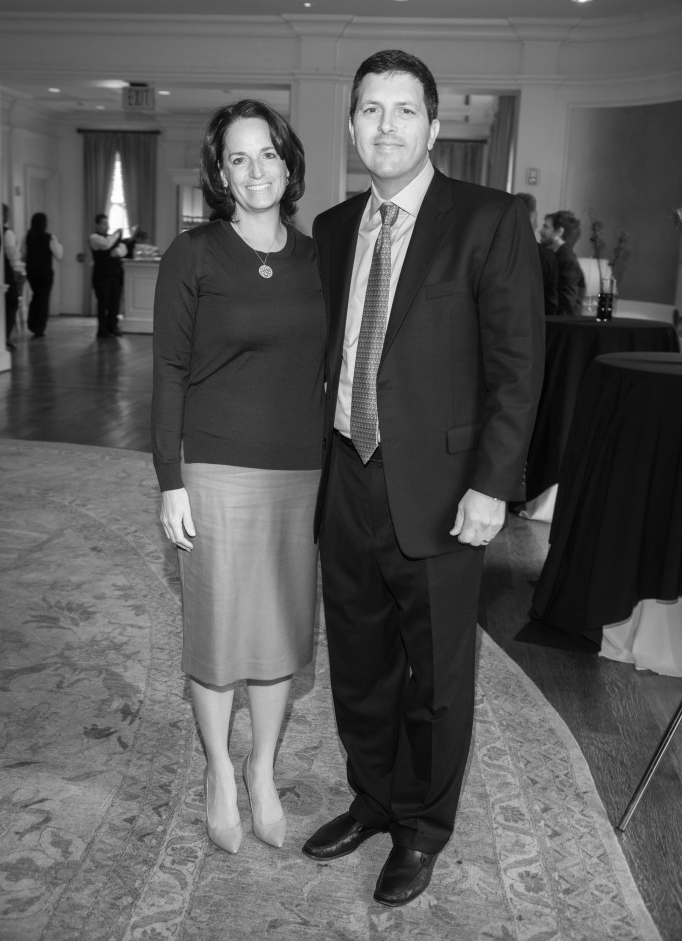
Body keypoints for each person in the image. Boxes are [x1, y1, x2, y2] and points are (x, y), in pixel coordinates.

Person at [302, 50, 545, 906]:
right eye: (370, 109)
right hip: (347, 478)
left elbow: (518, 366)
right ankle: (373, 799)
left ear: (433, 126)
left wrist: (493, 485)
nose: (386, 126)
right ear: (353, 125)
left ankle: (421, 828)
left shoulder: (489, 219)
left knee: (438, 679)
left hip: (445, 492)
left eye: (404, 110)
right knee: (359, 663)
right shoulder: (335, 227)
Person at [152, 100, 325, 856]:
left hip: (301, 470)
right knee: (219, 629)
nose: (256, 171)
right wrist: (170, 478)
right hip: (215, 467)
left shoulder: (319, 258)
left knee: (279, 627)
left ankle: (263, 771)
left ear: (289, 163)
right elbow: (168, 369)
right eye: (238, 158)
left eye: (268, 154)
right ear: (220, 174)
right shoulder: (194, 254)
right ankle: (220, 772)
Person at [22, 212, 64, 338]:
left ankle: (32, 324)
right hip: (45, 273)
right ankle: (39, 327)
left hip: (31, 272)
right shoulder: (50, 238)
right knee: (43, 299)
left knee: (36, 296)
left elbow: (23, 254)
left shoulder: (27, 237)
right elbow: (59, 255)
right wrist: (60, 244)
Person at [515, 192, 558, 314]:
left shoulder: (493, 250)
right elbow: (551, 301)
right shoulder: (546, 256)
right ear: (533, 216)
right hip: (534, 319)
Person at [539, 210, 585, 315]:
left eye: (546, 227)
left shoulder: (567, 259)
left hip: (561, 322)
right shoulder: (555, 255)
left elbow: (567, 300)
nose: (540, 231)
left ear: (559, 232)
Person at [89, 213, 126, 337]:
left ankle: (112, 326)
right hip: (101, 276)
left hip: (114, 274)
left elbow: (123, 249)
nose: (107, 226)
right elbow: (106, 245)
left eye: (107, 223)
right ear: (97, 225)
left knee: (114, 302)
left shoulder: (110, 238)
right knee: (103, 303)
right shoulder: (94, 237)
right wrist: (116, 234)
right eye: (104, 223)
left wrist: (117, 251)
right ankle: (102, 329)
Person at [3, 203, 25, 351]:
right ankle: (4, 337)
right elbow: (12, 255)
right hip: (6, 272)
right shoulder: (7, 233)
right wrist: (19, 269)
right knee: (11, 303)